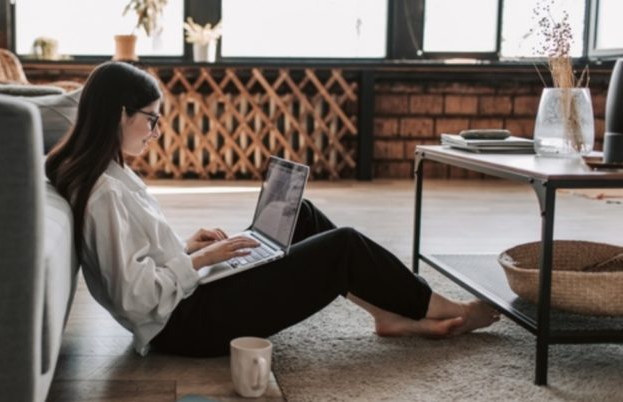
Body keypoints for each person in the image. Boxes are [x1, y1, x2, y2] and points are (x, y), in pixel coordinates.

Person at [45, 62, 500, 358]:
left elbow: (135, 263)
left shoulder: (110, 174)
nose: (157, 131)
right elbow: (135, 298)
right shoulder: (105, 191)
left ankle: (386, 313)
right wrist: (200, 261)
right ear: (120, 113)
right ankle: (443, 307)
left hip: (185, 301)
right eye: (152, 118)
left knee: (301, 214)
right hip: (182, 327)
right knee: (343, 246)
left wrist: (188, 247)